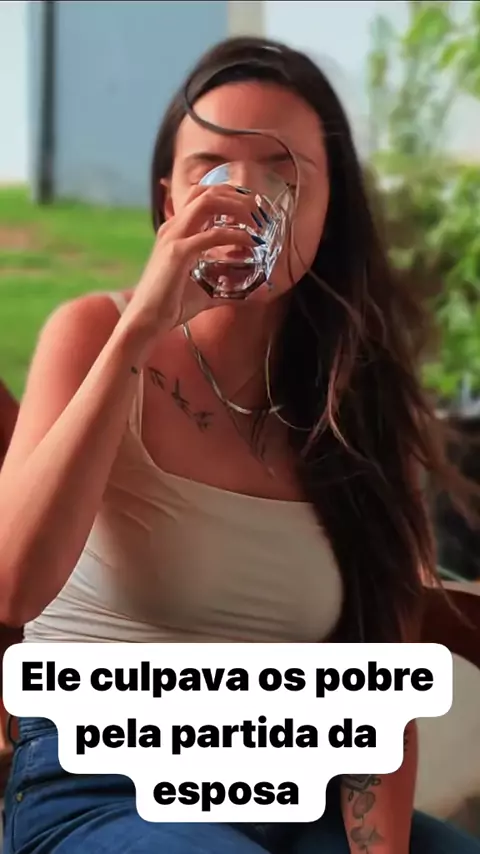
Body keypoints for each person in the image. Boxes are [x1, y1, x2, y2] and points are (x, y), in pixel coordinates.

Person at [0, 35, 478, 854]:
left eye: (284, 171)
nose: (246, 198)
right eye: (211, 168)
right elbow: (12, 589)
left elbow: (382, 675)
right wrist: (141, 330)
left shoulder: (359, 395)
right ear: (169, 202)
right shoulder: (93, 335)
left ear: (329, 209)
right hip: (103, 784)